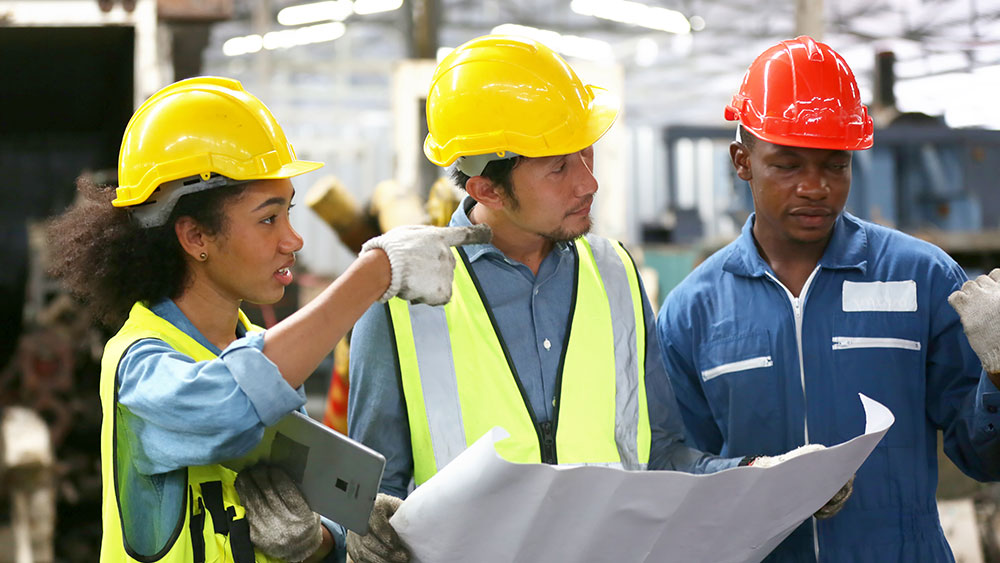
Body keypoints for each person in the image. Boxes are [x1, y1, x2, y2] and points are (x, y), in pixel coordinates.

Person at [344, 35, 849, 563]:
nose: (590, 182)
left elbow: (662, 460)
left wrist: (759, 477)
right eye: (559, 167)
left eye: (585, 153)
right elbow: (375, 501)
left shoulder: (614, 273)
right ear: (486, 188)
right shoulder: (401, 297)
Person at [45, 76, 489, 563]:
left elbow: (295, 513)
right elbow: (228, 406)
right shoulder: (139, 363)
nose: (293, 240)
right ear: (195, 237)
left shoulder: (264, 349)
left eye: (289, 213)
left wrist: (323, 542)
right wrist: (375, 271)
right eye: (268, 218)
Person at [656, 35, 1000, 562]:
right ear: (742, 161)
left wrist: (999, 374)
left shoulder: (922, 278)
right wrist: (750, 475)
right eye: (788, 165)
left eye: (834, 165)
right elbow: (672, 464)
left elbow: (984, 459)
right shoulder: (693, 310)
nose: (815, 187)